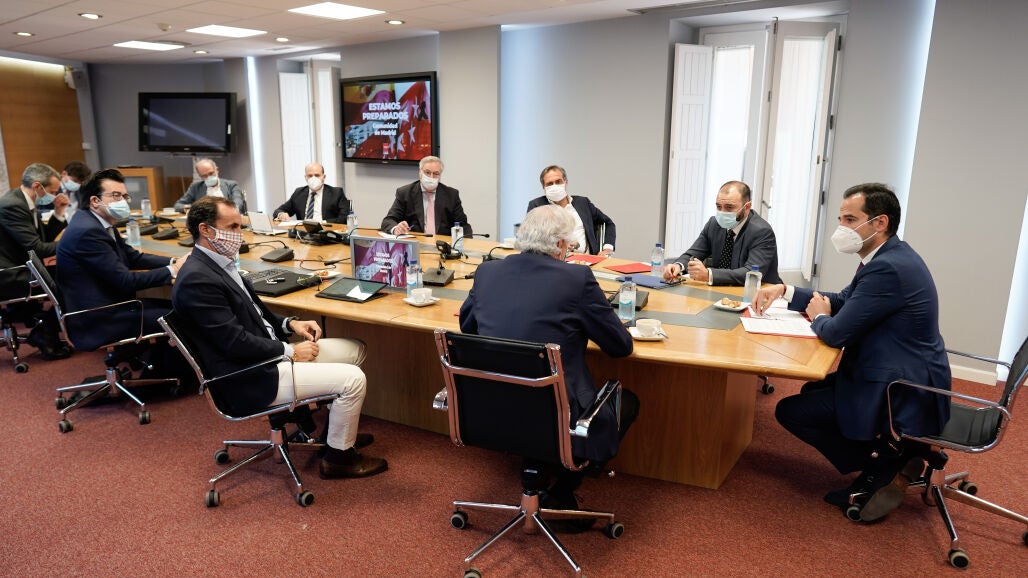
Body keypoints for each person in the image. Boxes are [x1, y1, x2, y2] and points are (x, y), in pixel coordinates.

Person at [752, 182, 950, 522]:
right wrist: (786, 291)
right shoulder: (887, 256)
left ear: (880, 222)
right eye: (841, 219)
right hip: (903, 370)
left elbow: (837, 332)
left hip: (899, 386)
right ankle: (896, 454)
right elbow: (845, 301)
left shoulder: (888, 268)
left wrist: (820, 318)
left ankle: (884, 462)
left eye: (850, 219)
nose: (841, 228)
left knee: (792, 411)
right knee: (813, 390)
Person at [172, 197, 386, 479]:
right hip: (248, 376)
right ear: (206, 230)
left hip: (265, 357)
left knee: (354, 349)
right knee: (353, 380)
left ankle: (335, 436)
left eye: (240, 226)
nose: (239, 233)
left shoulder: (219, 264)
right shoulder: (197, 279)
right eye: (232, 227)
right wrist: (290, 351)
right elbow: (234, 343)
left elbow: (256, 314)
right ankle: (338, 459)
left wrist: (290, 324)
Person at [459, 204, 638, 528]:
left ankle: (542, 470)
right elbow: (620, 347)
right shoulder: (577, 279)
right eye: (569, 245)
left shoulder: (487, 272)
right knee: (626, 401)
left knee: (534, 397)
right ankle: (565, 487)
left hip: (491, 407)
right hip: (558, 415)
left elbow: (467, 328)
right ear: (560, 245)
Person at [56, 169, 191, 383]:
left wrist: (174, 262)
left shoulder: (97, 222)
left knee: (178, 306)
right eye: (116, 195)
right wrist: (172, 271)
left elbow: (133, 258)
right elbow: (125, 281)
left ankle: (164, 369)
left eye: (125, 196)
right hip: (98, 317)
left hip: (106, 304)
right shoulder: (88, 232)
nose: (124, 201)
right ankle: (170, 377)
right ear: (95, 201)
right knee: (180, 314)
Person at [0, 163, 73, 359]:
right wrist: (76, 242)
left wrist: (59, 212)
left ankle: (46, 328)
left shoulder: (23, 201)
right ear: (37, 186)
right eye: (53, 191)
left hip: (21, 267)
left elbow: (42, 240)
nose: (55, 195)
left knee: (72, 272)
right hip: (9, 276)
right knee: (73, 278)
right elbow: (38, 249)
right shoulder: (12, 205)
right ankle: (45, 332)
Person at [662, 181, 781, 285]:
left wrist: (709, 274)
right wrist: (678, 266)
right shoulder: (714, 224)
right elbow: (693, 253)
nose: (722, 212)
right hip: (723, 291)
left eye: (729, 207)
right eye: (719, 207)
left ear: (747, 207)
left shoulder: (761, 231)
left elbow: (751, 273)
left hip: (763, 294)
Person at [526, 165, 616, 256]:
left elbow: (608, 223)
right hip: (553, 260)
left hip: (587, 260)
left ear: (566, 182)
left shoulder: (583, 203)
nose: (554, 186)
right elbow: (531, 238)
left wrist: (608, 248)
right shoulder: (537, 205)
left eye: (558, 181)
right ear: (543, 187)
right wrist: (560, 245)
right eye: (549, 183)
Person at [380, 156, 473, 236]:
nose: (431, 177)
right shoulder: (405, 193)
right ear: (420, 173)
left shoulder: (451, 195)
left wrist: (465, 244)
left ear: (440, 175)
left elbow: (464, 226)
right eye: (427, 172)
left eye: (436, 173)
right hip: (416, 243)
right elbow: (388, 221)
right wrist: (396, 229)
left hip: (442, 244)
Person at [273, 163, 351, 224]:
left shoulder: (336, 193)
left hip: (327, 232)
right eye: (310, 176)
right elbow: (278, 210)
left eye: (317, 175)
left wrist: (321, 223)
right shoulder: (299, 193)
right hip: (303, 233)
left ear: (324, 177)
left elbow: (344, 218)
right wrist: (281, 214)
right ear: (305, 177)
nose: (313, 178)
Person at [173, 158, 244, 213]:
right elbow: (178, 206)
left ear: (217, 170)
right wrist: (193, 208)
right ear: (200, 176)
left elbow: (238, 204)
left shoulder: (231, 185)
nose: (209, 177)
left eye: (211, 173)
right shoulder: (195, 187)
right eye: (204, 176)